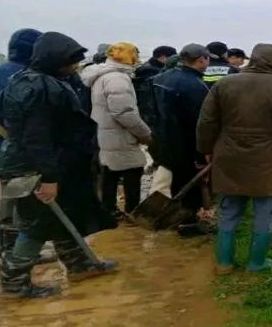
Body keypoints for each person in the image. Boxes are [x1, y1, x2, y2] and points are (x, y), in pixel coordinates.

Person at [0, 32, 117, 299]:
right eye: (69, 61)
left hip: (43, 162)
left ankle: (79, 265)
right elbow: (37, 138)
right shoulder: (40, 88)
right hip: (34, 168)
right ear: (53, 59)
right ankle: (14, 283)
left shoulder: (23, 79)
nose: (73, 66)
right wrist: (48, 178)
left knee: (64, 216)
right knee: (36, 225)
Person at [197, 43, 272, 274]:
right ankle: (256, 263)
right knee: (265, 211)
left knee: (228, 210)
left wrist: (206, 148)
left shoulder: (224, 84)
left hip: (229, 155)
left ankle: (224, 263)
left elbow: (207, 122)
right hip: (268, 158)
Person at [0, 29, 42, 259]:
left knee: (10, 192)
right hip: (12, 145)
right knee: (19, 196)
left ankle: (5, 245)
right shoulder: (22, 76)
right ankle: (12, 249)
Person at [82, 42, 152, 218]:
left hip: (105, 132)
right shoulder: (117, 79)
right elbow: (123, 112)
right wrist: (144, 133)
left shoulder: (103, 74)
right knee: (133, 171)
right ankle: (132, 211)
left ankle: (108, 210)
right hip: (120, 135)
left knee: (110, 172)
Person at [152, 44, 210, 216]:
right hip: (185, 145)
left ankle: (167, 212)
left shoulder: (160, 78)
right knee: (187, 186)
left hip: (162, 139)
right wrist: (201, 155)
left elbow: (151, 110)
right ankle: (187, 221)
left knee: (170, 180)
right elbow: (198, 123)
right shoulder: (196, 86)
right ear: (201, 60)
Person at [133, 46, 177, 126]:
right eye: (172, 58)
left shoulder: (150, 67)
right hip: (151, 115)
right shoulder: (150, 71)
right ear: (163, 57)